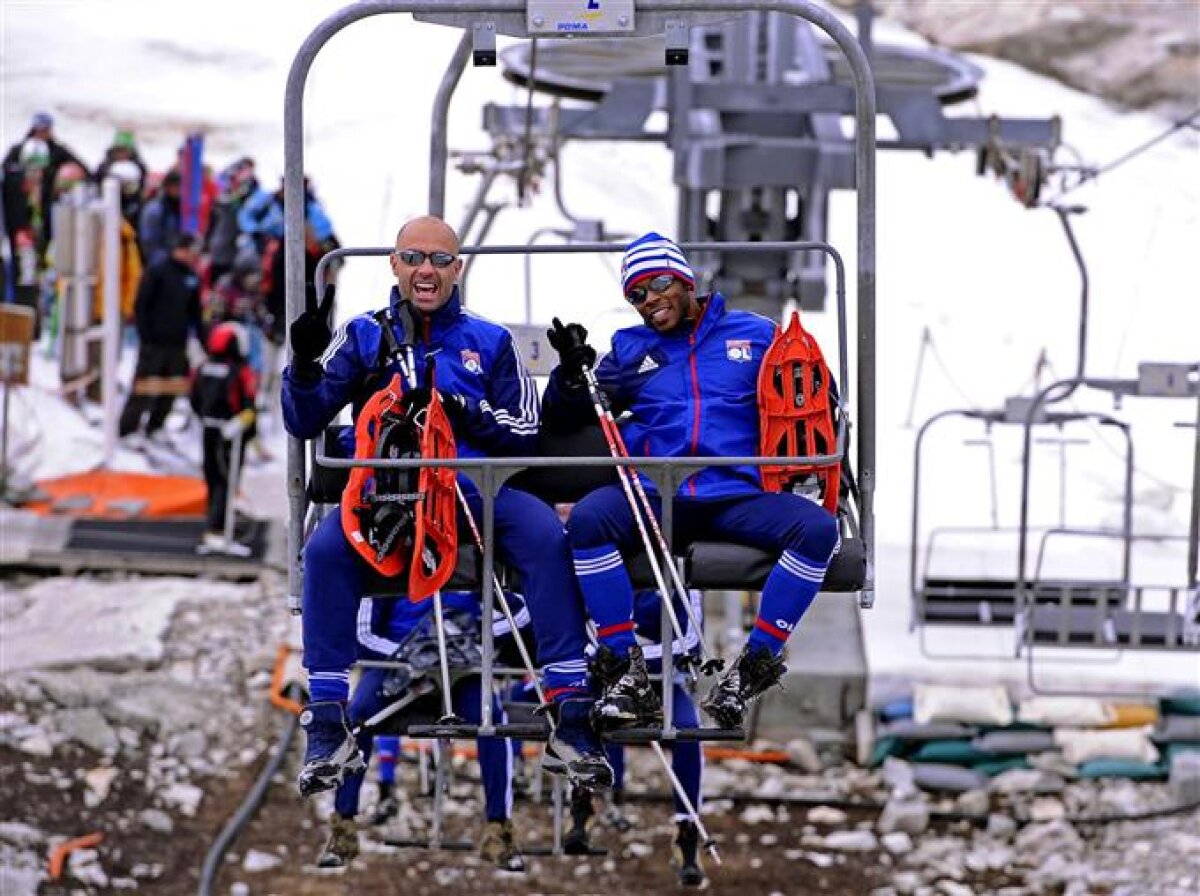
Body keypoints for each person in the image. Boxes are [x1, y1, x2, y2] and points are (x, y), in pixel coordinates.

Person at [281, 215, 612, 800]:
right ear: (395, 264)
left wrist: (463, 409)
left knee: (542, 535)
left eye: (439, 260)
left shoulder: (490, 341)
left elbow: (525, 430)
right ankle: (328, 717)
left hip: (470, 488)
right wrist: (305, 368)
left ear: (457, 268)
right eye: (413, 258)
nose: (426, 271)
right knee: (327, 550)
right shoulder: (365, 335)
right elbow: (304, 419)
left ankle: (570, 707)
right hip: (389, 491)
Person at [542, 232, 840, 731]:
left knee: (817, 530)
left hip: (736, 494)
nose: (649, 299)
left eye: (659, 284)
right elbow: (569, 413)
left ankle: (753, 667)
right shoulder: (630, 348)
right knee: (590, 519)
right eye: (637, 294)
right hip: (658, 495)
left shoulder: (756, 333)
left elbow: (812, 391)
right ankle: (626, 670)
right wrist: (569, 376)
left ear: (685, 280)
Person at [319, 591, 531, 871]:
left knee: (492, 719)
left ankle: (499, 828)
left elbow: (521, 613)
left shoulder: (471, 569)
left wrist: (479, 642)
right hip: (396, 666)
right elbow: (363, 634)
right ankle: (343, 824)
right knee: (357, 716)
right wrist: (409, 654)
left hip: (460, 666)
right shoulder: (391, 570)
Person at [119, 232, 203, 441]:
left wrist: (202, 338)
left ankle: (156, 426)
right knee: (144, 385)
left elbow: (195, 311)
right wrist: (145, 334)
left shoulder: (191, 277)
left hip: (178, 342)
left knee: (172, 386)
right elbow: (142, 304)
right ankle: (128, 428)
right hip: (154, 341)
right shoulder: (158, 270)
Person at [189, 320, 256, 556]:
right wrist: (244, 427)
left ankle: (215, 526)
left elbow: (194, 399)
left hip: (209, 429)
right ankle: (217, 529)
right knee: (226, 481)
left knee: (213, 478)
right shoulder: (240, 371)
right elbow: (249, 404)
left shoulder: (202, 367)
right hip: (230, 434)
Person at [138, 170, 183, 268]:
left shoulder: (182, 208)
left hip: (178, 262)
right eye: (178, 187)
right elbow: (149, 242)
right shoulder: (155, 209)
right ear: (169, 187)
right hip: (160, 264)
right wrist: (170, 255)